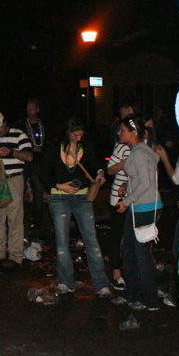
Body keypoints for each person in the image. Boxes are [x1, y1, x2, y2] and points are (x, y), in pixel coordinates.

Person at [41, 117, 112, 298]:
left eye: (81, 135)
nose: (78, 138)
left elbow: (95, 163)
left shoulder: (85, 145)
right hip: (59, 197)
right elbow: (43, 173)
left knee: (92, 240)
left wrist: (100, 173)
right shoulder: (54, 147)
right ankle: (66, 281)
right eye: (75, 135)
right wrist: (59, 185)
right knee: (62, 242)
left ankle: (101, 284)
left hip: (82, 198)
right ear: (67, 132)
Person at [112, 115, 163, 311]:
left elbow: (147, 183)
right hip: (139, 206)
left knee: (141, 256)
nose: (119, 133)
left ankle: (150, 300)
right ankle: (132, 294)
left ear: (133, 133)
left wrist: (126, 201)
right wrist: (127, 185)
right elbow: (143, 177)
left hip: (144, 208)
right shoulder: (138, 151)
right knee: (130, 253)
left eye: (122, 130)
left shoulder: (140, 153)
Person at [0, 111, 33, 268]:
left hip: (13, 179)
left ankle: (15, 255)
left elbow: (29, 157)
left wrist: (11, 152)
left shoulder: (18, 135)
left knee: (14, 218)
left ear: (4, 122)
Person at [106, 137, 130, 290]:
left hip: (136, 197)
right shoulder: (121, 147)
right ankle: (116, 273)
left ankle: (130, 271)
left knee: (130, 236)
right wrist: (127, 163)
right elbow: (109, 169)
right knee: (116, 234)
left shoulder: (143, 147)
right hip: (118, 197)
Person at [22, 99, 46, 231]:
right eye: (27, 109)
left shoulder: (43, 125)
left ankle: (38, 220)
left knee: (38, 190)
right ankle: (21, 218)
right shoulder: (22, 125)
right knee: (21, 189)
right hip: (25, 161)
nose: (29, 111)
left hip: (38, 161)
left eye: (31, 109)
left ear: (37, 110)